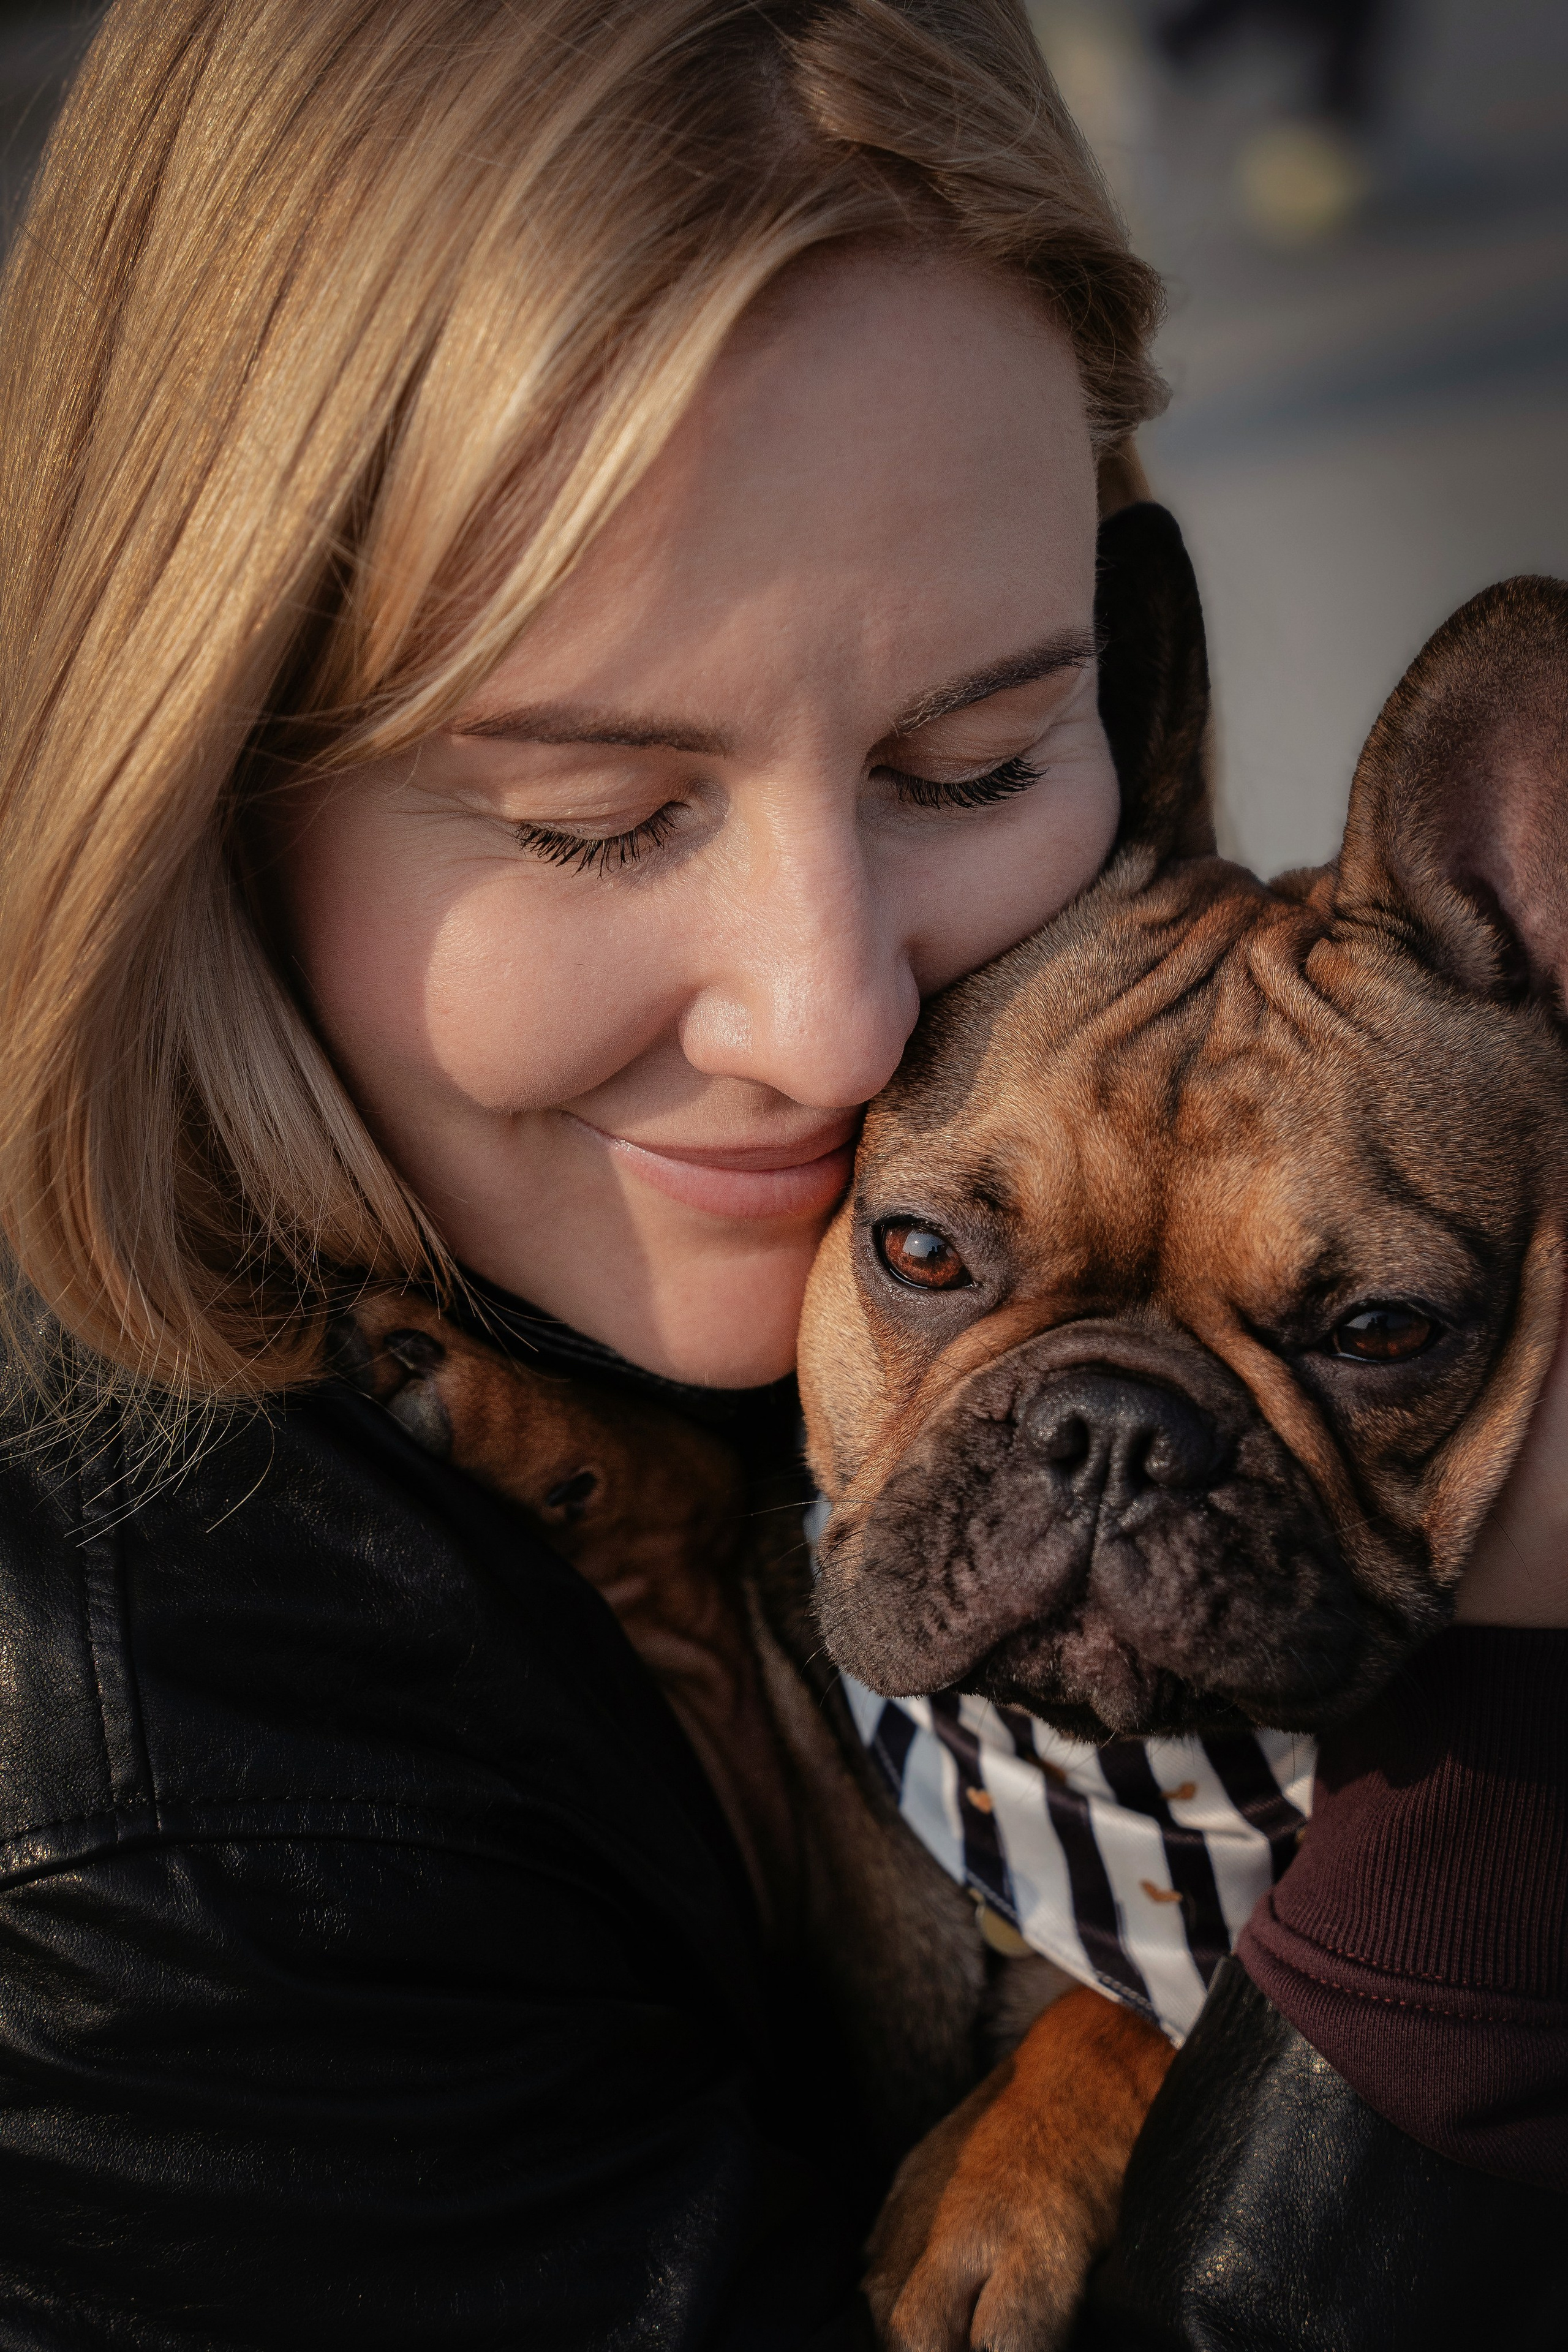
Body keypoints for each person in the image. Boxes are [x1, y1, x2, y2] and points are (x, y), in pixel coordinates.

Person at [0, 6, 1556, 2350]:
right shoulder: (143, 1834)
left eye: (975, 751)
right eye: (594, 814)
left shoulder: (1084, 1069)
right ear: (197, 765)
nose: (837, 1031)